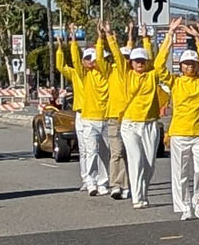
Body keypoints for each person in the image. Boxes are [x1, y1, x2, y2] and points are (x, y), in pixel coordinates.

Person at [102, 23, 165, 208]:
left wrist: (151, 38)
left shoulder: (152, 75)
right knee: (136, 160)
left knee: (149, 165)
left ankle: (143, 193)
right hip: (129, 124)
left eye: (142, 61)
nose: (139, 63)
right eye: (136, 60)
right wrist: (108, 36)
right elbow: (117, 56)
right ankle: (137, 198)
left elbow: (159, 58)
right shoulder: (125, 73)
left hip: (150, 124)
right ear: (131, 62)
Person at [165, 26, 199, 220]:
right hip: (179, 133)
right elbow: (159, 66)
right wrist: (169, 36)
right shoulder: (175, 82)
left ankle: (198, 200)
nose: (189, 67)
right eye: (186, 64)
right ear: (181, 66)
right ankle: (184, 205)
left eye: (192, 64)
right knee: (180, 173)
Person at [62, 38, 111, 196]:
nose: (95, 62)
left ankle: (103, 182)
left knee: (104, 153)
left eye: (98, 59)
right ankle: (90, 181)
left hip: (106, 118)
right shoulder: (85, 75)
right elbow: (76, 62)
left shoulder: (109, 75)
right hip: (88, 119)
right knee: (90, 151)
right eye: (92, 59)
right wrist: (74, 43)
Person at [95, 22, 132, 200]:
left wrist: (129, 35)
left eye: (127, 57)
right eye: (122, 57)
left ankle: (128, 184)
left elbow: (118, 54)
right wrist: (102, 38)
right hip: (114, 118)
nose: (123, 59)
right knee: (116, 153)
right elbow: (101, 58)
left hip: (131, 118)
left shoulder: (131, 73)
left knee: (129, 154)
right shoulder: (110, 71)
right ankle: (117, 185)